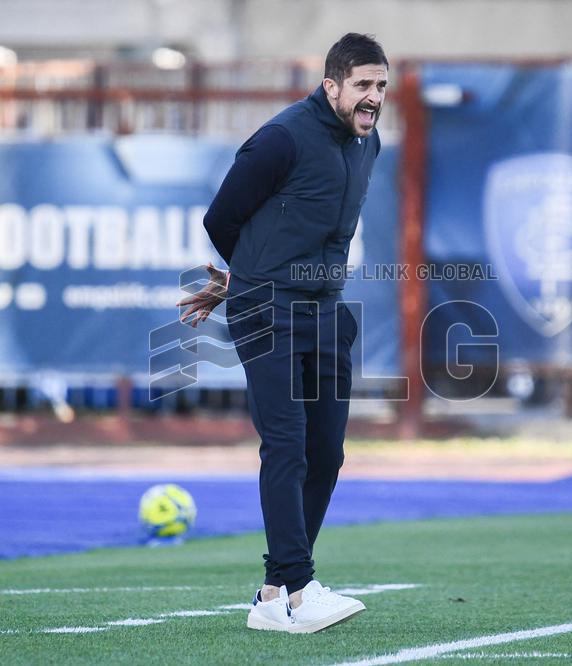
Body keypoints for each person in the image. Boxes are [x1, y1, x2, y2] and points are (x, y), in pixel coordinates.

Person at [176, 33, 388, 633]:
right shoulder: (281, 138)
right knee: (288, 445)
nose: (373, 98)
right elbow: (222, 217)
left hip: (326, 310)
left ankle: (273, 594)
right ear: (332, 86)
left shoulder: (367, 145)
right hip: (267, 310)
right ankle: (300, 588)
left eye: (381, 87)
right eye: (363, 86)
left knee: (327, 452)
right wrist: (249, 281)